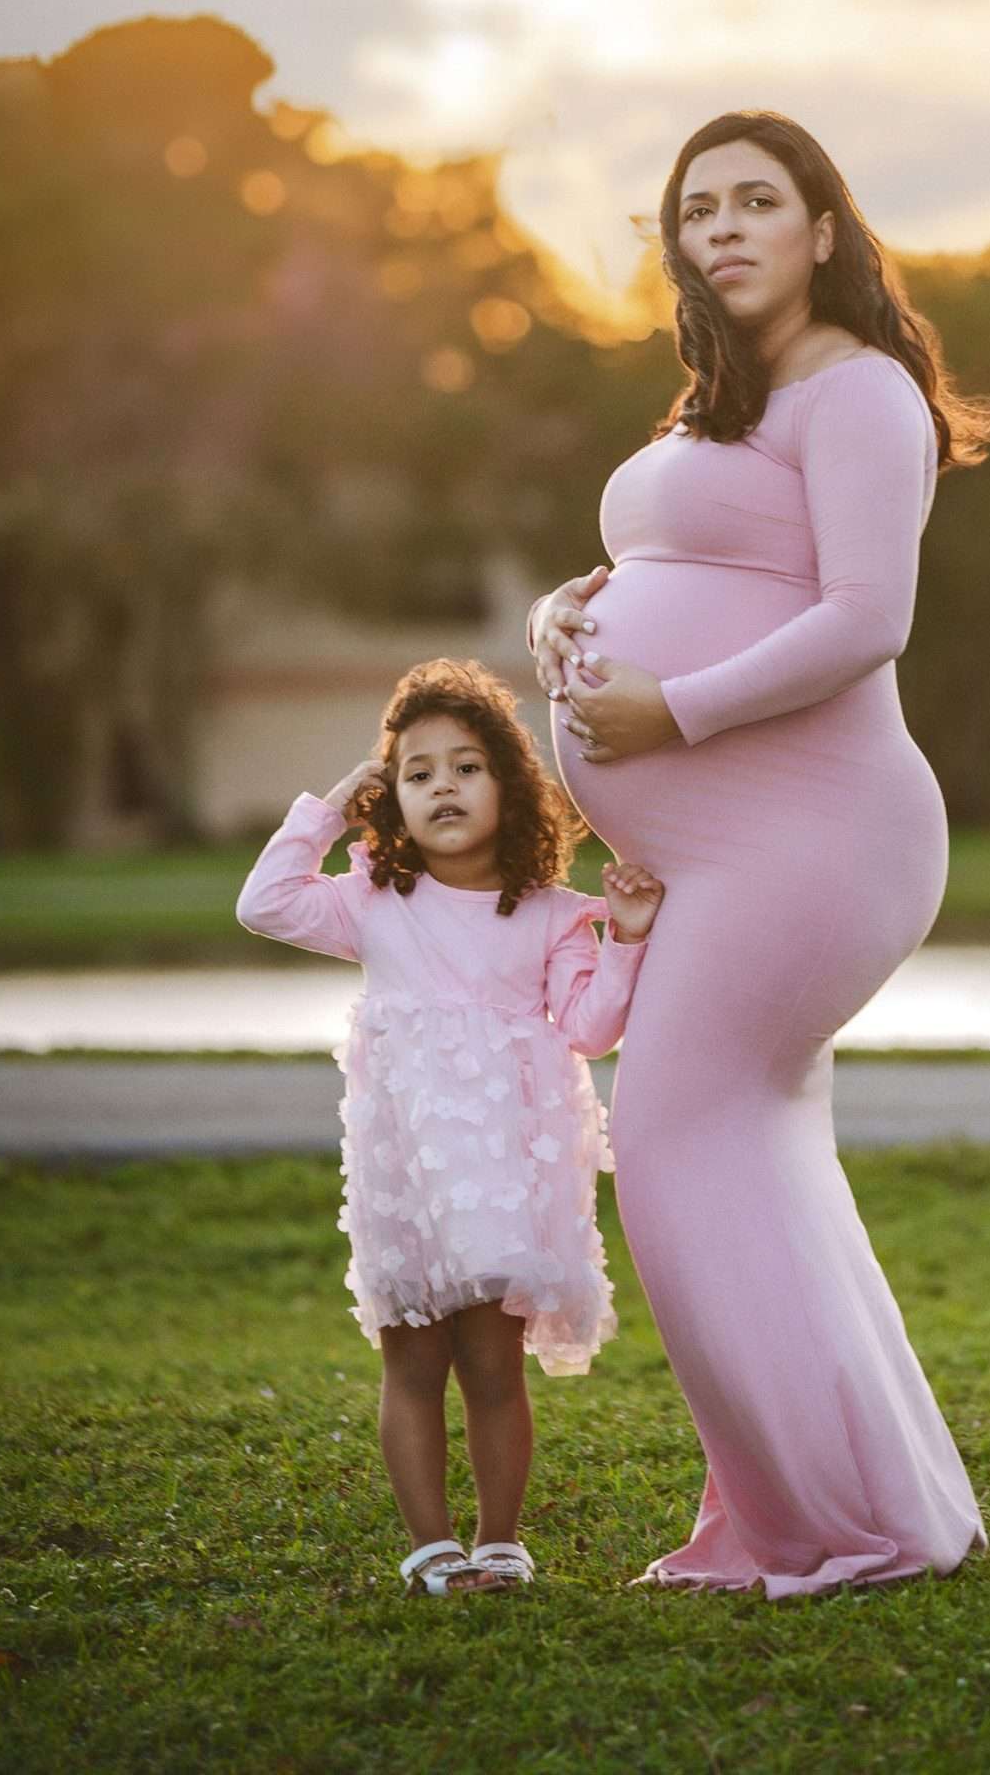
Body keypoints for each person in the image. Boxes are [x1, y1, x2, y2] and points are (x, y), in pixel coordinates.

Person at [528, 108, 990, 1600]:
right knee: (756, 1159)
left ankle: (839, 1526)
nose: (720, 228)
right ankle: (835, 1511)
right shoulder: (727, 402)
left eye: (753, 201)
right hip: (731, 850)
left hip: (818, 839)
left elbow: (867, 617)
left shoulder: (857, 390)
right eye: (696, 209)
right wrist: (564, 616)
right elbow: (680, 562)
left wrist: (669, 708)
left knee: (675, 1147)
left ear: (821, 230)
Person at [234, 656, 663, 1597]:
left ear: (510, 787)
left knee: (493, 1364)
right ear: (389, 800)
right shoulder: (372, 902)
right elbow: (262, 904)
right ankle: (431, 1547)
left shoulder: (551, 916)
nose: (443, 787)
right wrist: (327, 812)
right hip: (408, 1176)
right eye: (417, 773)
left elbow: (591, 1029)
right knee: (415, 1358)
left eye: (466, 768)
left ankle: (499, 1541)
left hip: (505, 1174)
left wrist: (626, 937)